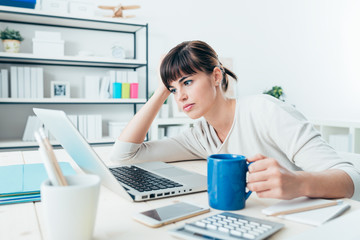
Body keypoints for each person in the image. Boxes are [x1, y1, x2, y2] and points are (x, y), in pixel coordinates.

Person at [110, 40, 359, 201]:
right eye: (174, 89)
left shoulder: (264, 110)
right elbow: (124, 156)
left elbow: (352, 180)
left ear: (216, 76)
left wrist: (298, 182)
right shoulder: (200, 135)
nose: (180, 96)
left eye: (187, 82)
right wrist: (160, 90)